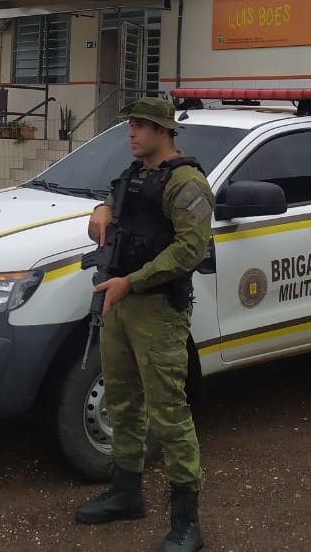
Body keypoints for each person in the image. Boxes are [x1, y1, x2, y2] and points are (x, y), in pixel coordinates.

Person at [75, 96, 213, 552]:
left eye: (139, 126)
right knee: (122, 401)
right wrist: (98, 214)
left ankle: (186, 521)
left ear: (163, 131)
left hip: (156, 309)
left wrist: (131, 283)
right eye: (130, 125)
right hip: (121, 303)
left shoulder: (186, 182)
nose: (131, 133)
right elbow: (110, 207)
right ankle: (126, 492)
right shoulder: (134, 175)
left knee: (169, 412)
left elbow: (190, 250)